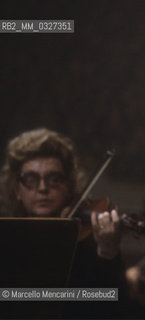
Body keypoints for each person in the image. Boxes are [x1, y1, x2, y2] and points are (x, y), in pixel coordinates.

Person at [0, 128, 126, 318]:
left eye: (54, 179)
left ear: (68, 186)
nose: (42, 188)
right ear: (17, 189)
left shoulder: (89, 243)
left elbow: (112, 305)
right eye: (31, 179)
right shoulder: (6, 240)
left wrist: (108, 253)